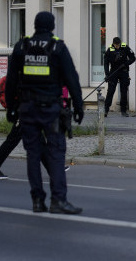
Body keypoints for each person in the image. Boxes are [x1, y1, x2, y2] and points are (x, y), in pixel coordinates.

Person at [5, 11, 84, 214]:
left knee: (33, 154)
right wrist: (78, 106)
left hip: (27, 108)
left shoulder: (22, 46)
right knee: (56, 153)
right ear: (51, 26)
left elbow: (11, 79)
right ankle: (58, 200)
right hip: (51, 109)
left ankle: (37, 201)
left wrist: (11, 108)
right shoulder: (57, 46)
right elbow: (72, 78)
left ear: (35, 25)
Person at [102, 36, 136, 116]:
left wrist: (125, 64)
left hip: (123, 71)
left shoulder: (125, 47)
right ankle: (106, 110)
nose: (117, 46)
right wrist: (107, 74)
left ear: (120, 43)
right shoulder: (110, 49)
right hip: (113, 71)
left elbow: (133, 58)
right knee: (110, 91)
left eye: (118, 45)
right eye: (116, 45)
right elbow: (106, 62)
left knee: (124, 91)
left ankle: (123, 111)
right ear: (113, 44)